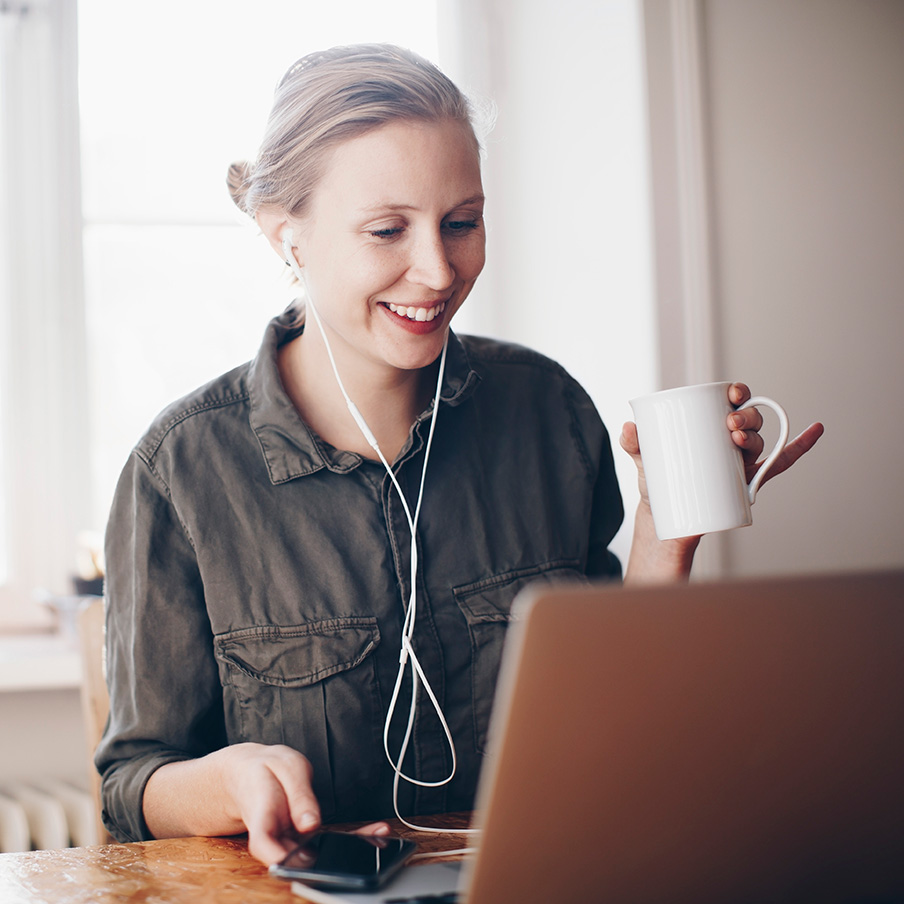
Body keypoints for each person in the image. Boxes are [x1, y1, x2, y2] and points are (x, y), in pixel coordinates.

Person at [96, 44, 823, 866]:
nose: (439, 269)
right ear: (284, 234)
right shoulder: (180, 471)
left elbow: (612, 718)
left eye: (462, 222)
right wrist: (232, 781)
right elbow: (132, 785)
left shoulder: (547, 411)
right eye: (386, 230)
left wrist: (669, 523)